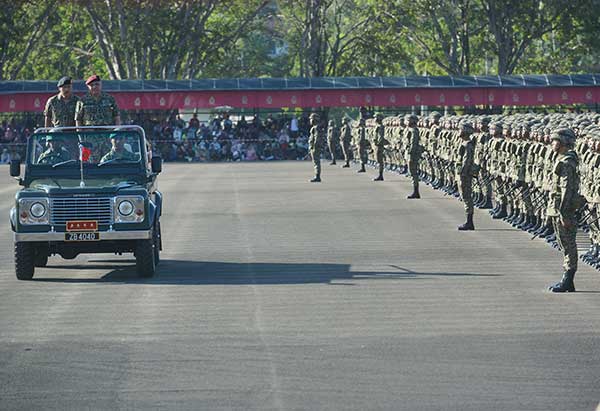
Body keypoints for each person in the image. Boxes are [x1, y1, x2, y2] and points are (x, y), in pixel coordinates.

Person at [546, 128, 581, 292]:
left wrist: (563, 213)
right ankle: (568, 279)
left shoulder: (567, 162)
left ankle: (568, 279)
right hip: (557, 208)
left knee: (568, 245)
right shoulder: (560, 158)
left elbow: (566, 190)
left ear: (564, 142)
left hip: (563, 210)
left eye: (555, 140)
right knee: (564, 244)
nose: (552, 143)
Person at [456, 122, 476, 230]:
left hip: (465, 175)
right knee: (464, 196)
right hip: (461, 173)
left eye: (460, 129)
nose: (458, 131)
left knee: (467, 197)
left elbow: (466, 160)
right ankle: (468, 221)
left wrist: (463, 173)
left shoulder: (468, 144)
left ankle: (469, 222)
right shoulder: (463, 143)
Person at [405, 114, 422, 198]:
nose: (407, 122)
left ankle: (416, 192)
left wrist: (411, 154)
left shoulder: (414, 131)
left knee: (413, 173)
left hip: (412, 155)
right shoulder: (410, 130)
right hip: (409, 154)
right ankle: (415, 191)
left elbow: (413, 144)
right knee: (412, 173)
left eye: (409, 120)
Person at [371, 113, 388, 181]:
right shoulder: (377, 126)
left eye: (376, 117)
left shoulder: (380, 127)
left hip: (379, 146)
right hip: (376, 145)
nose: (374, 119)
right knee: (378, 160)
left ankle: (380, 175)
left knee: (380, 161)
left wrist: (378, 144)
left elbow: (381, 137)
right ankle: (380, 175)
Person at [308, 113, 323, 182]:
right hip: (313, 147)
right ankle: (317, 175)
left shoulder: (316, 128)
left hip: (315, 147)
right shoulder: (315, 127)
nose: (310, 120)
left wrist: (314, 147)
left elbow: (317, 138)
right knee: (315, 162)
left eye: (311, 119)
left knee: (316, 162)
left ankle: (317, 176)